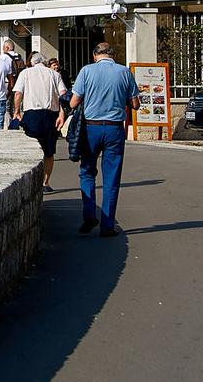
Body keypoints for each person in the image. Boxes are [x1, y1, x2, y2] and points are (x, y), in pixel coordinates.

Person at [69, 40, 136, 237]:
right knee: (111, 178)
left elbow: (74, 102)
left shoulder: (86, 71)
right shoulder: (124, 72)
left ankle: (90, 213)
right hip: (115, 129)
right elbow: (135, 104)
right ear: (113, 56)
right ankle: (107, 226)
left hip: (91, 128)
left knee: (87, 172)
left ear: (95, 55)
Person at [14, 52, 69, 189]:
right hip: (51, 115)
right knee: (49, 151)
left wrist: (16, 112)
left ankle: (31, 182)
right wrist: (62, 115)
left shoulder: (26, 74)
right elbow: (64, 95)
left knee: (32, 149)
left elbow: (18, 93)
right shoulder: (55, 75)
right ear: (44, 63)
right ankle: (45, 182)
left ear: (32, 63)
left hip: (32, 114)